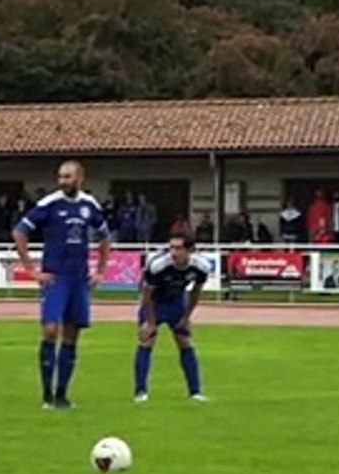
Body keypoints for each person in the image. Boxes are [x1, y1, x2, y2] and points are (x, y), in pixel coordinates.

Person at [13, 160, 110, 410]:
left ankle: (62, 395)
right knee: (50, 329)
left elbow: (104, 236)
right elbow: (20, 231)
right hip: (56, 277)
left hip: (79, 278)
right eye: (60, 177)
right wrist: (32, 269)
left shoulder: (90, 204)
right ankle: (47, 394)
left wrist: (100, 271)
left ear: (80, 178)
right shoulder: (50, 203)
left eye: (67, 176)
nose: (62, 181)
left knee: (72, 333)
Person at [133, 233, 209, 404]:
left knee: (185, 341)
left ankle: (195, 392)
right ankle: (140, 391)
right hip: (155, 302)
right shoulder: (158, 265)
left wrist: (186, 317)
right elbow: (147, 294)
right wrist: (150, 322)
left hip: (176, 301)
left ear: (189, 250)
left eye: (178, 248)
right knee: (147, 340)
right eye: (171, 248)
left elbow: (196, 291)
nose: (173, 252)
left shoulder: (200, 266)